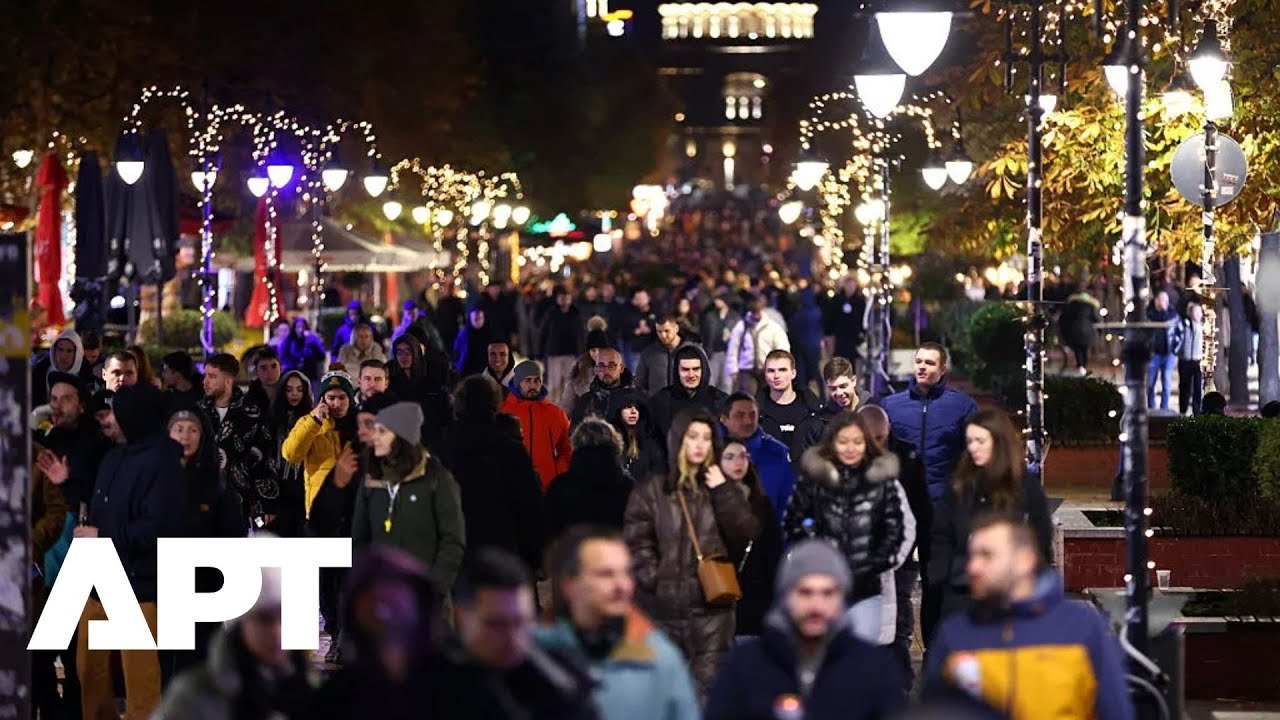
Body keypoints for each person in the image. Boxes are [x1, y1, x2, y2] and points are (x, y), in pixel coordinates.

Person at [924, 514, 1134, 720]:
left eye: (986, 555)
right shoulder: (954, 634)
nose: (972, 568)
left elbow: (1115, 710)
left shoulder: (1082, 628)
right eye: (972, 557)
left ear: (1025, 560)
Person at [624, 407, 761, 697]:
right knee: (665, 698)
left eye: (706, 438)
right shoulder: (653, 490)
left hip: (713, 611)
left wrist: (723, 491)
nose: (699, 445)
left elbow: (746, 532)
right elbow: (637, 542)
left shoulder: (723, 487)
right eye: (692, 437)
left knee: (705, 696)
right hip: (662, 613)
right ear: (678, 440)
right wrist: (656, 580)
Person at [76, 383, 185, 720]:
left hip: (139, 585)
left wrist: (102, 534)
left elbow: (157, 527)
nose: (108, 420)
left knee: (140, 683)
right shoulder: (114, 455)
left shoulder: (164, 460)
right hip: (98, 580)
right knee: (89, 672)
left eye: (115, 413)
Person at [705, 540, 907, 720]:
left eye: (828, 593)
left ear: (842, 598)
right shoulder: (746, 665)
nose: (816, 606)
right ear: (785, 595)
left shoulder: (873, 668)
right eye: (805, 592)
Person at [535, 526, 701, 720]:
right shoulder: (530, 655)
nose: (622, 585)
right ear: (569, 584)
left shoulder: (660, 658)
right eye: (606, 574)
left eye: (626, 573)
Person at [927, 408, 1053, 641]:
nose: (973, 447)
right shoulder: (960, 485)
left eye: (980, 441)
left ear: (998, 441)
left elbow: (1040, 537)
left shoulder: (1024, 487)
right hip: (961, 591)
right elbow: (942, 533)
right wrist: (941, 574)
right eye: (969, 441)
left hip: (1011, 594)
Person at [786, 412, 908, 646]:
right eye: (843, 441)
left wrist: (879, 561)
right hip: (825, 588)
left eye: (857, 441)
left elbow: (902, 529)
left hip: (868, 590)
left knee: (862, 662)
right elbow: (796, 525)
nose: (850, 449)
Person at [433, 549, 597, 719]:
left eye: (521, 622)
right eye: (497, 624)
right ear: (461, 618)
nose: (513, 637)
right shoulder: (429, 683)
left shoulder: (560, 680)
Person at [153, 566, 318, 720]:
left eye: (285, 617)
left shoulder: (309, 688)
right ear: (241, 625)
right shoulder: (193, 697)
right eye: (264, 619)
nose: (277, 631)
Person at [161, 406, 248, 683]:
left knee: (199, 667)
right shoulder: (154, 478)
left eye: (192, 429)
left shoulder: (216, 483)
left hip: (204, 590)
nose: (185, 436)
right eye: (179, 429)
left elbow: (233, 534)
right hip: (161, 586)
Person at [311, 546, 445, 720]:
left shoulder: (454, 688)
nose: (385, 614)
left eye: (396, 601)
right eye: (374, 602)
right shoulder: (337, 696)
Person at [352, 401, 466, 597]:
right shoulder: (372, 479)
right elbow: (360, 540)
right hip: (381, 597)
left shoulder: (436, 479)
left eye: (382, 431)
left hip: (425, 601)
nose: (375, 437)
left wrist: (433, 589)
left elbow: (452, 541)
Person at [440, 375, 544, 572]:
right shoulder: (511, 447)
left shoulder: (447, 445)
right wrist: (534, 555)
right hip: (505, 545)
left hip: (461, 545)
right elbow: (530, 503)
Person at [859, 404, 931, 687]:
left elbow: (919, 511)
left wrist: (909, 551)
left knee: (898, 615)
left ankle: (899, 678)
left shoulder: (907, 458)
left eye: (879, 438)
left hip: (900, 555)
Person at [882, 343, 979, 503]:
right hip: (903, 499)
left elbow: (971, 455)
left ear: (942, 370)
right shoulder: (890, 405)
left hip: (946, 500)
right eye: (918, 361)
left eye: (929, 363)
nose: (922, 367)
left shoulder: (962, 405)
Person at [200, 353, 280, 526]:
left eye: (212, 376)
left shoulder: (252, 414)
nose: (205, 381)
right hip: (201, 504)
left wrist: (265, 504)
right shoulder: (197, 413)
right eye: (205, 375)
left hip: (239, 506)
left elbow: (265, 461)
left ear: (228, 380)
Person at [719, 440, 783, 639]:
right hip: (717, 596)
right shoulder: (706, 502)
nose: (738, 462)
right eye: (729, 457)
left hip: (756, 600)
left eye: (743, 456)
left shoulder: (761, 503)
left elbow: (774, 553)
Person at [282, 367, 359, 525]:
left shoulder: (361, 424)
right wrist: (315, 422)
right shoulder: (308, 422)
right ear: (322, 399)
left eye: (342, 397)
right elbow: (291, 455)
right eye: (331, 397)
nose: (336, 403)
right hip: (321, 509)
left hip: (355, 510)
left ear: (350, 398)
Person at [546, 419, 634, 539]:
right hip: (617, 554)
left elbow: (548, 535)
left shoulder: (559, 487)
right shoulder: (629, 488)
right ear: (615, 444)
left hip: (572, 555)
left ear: (576, 443)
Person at [720, 393, 796, 521]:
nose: (748, 421)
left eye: (752, 415)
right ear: (724, 419)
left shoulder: (778, 453)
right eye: (740, 415)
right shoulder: (711, 450)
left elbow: (788, 504)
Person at [501, 360, 574, 491]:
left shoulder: (556, 414)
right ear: (518, 383)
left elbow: (567, 450)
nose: (533, 385)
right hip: (512, 487)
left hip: (548, 486)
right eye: (527, 380)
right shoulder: (503, 412)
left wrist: (558, 474)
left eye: (537, 380)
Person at [269, 370, 312, 538]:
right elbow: (269, 453)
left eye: (300, 389)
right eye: (289, 389)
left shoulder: (312, 419)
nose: (295, 394)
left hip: (303, 487)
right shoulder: (273, 418)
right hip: (277, 488)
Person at [792, 356, 860, 459]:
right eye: (833, 389)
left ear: (854, 381)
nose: (839, 393)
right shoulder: (819, 423)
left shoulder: (871, 412)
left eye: (843, 386)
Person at [649, 343, 728, 430]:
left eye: (696, 369)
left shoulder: (720, 401)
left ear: (704, 370)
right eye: (685, 369)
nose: (691, 375)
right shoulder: (661, 401)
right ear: (676, 371)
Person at [757, 349, 822, 450]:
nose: (776, 376)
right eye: (771, 371)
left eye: (782, 370)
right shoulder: (756, 412)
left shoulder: (812, 409)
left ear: (793, 373)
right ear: (765, 375)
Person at [726, 295, 791, 396]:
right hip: (747, 371)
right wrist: (733, 370)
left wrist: (781, 367)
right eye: (753, 312)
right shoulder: (741, 327)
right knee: (749, 398)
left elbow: (782, 348)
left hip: (767, 369)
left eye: (757, 312)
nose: (756, 315)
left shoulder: (772, 327)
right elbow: (733, 348)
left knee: (768, 398)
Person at [542, 285, 587, 407]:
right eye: (561, 297)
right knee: (554, 384)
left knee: (569, 384)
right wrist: (539, 352)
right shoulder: (551, 314)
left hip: (571, 354)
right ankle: (552, 407)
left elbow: (581, 334)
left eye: (567, 297)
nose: (564, 300)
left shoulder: (576, 314)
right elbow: (543, 332)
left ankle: (567, 409)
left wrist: (581, 352)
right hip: (554, 353)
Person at [607, 388, 665, 481]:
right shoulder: (609, 443)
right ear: (618, 410)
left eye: (637, 407)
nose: (633, 411)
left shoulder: (650, 443)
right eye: (628, 407)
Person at [570, 346, 635, 426]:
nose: (606, 371)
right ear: (596, 370)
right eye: (601, 366)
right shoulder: (586, 402)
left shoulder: (636, 400)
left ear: (621, 368)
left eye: (611, 366)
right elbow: (575, 434)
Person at [822, 275, 868, 377]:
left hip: (854, 337)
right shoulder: (837, 300)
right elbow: (830, 318)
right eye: (848, 285)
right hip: (840, 336)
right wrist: (828, 334)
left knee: (853, 362)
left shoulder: (860, 301)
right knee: (839, 360)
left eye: (852, 285)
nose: (850, 287)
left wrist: (863, 333)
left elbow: (864, 319)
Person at [1146, 290, 1183, 412]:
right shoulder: (1149, 315)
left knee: (1166, 383)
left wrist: (1175, 350)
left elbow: (1180, 333)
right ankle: (1151, 407)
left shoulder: (1173, 315)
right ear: (1156, 300)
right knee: (1150, 383)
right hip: (1153, 354)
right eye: (1161, 299)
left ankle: (1164, 408)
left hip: (1169, 354)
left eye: (1165, 300)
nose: (1163, 302)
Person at [635, 315, 687, 395]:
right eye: (659, 331)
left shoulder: (693, 351)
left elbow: (705, 381)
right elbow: (639, 383)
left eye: (667, 331)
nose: (662, 335)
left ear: (676, 329)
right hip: (656, 404)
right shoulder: (648, 353)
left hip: (685, 405)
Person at [32, 327, 84, 408]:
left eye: (69, 351)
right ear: (54, 351)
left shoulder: (86, 378)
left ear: (77, 354)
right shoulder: (39, 374)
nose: (63, 356)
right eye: (60, 349)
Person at [701, 292, 741, 395]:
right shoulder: (709, 315)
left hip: (728, 353)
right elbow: (704, 333)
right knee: (711, 382)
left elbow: (739, 335)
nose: (716, 302)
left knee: (726, 383)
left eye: (718, 299)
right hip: (712, 353)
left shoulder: (735, 317)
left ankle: (725, 407)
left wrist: (731, 336)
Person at [1058, 285, 1101, 374]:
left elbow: (1064, 318)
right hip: (1087, 331)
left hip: (1074, 330)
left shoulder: (1071, 306)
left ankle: (1080, 366)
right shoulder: (1090, 306)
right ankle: (1084, 366)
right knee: (1085, 349)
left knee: (1078, 349)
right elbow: (1095, 319)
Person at [281, 316, 328, 381]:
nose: (300, 330)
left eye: (302, 327)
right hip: (294, 375)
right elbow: (284, 358)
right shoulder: (289, 341)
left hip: (310, 375)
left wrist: (313, 341)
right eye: (298, 327)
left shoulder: (311, 339)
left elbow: (322, 355)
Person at [1179, 301, 1205, 416]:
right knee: (1185, 386)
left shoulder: (1204, 327)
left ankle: (1197, 412)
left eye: (1200, 312)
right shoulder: (1185, 325)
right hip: (1185, 361)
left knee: (1198, 388)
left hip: (1198, 361)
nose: (1198, 314)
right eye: (1195, 312)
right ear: (1190, 313)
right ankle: (1183, 410)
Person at [454, 306, 495, 377]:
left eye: (480, 318)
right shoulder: (463, 335)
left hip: (486, 371)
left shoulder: (489, 334)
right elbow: (456, 353)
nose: (478, 321)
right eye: (476, 319)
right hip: (467, 371)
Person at [245, 346, 284, 414]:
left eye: (274, 366)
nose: (269, 373)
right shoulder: (250, 399)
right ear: (256, 371)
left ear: (280, 368)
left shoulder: (292, 391)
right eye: (263, 368)